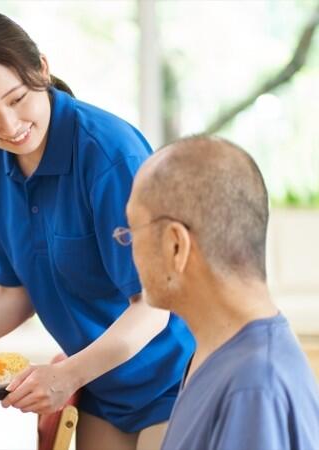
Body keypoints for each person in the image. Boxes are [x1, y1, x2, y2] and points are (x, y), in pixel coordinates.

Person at [0, 9, 194, 449]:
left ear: (42, 69)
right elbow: (16, 295)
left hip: (178, 381)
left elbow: (153, 306)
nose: (9, 127)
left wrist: (66, 375)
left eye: (17, 100)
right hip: (102, 387)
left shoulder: (109, 154)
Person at [124, 135, 319, 450]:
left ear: (176, 245)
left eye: (131, 232)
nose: (128, 249)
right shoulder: (218, 352)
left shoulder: (254, 386)